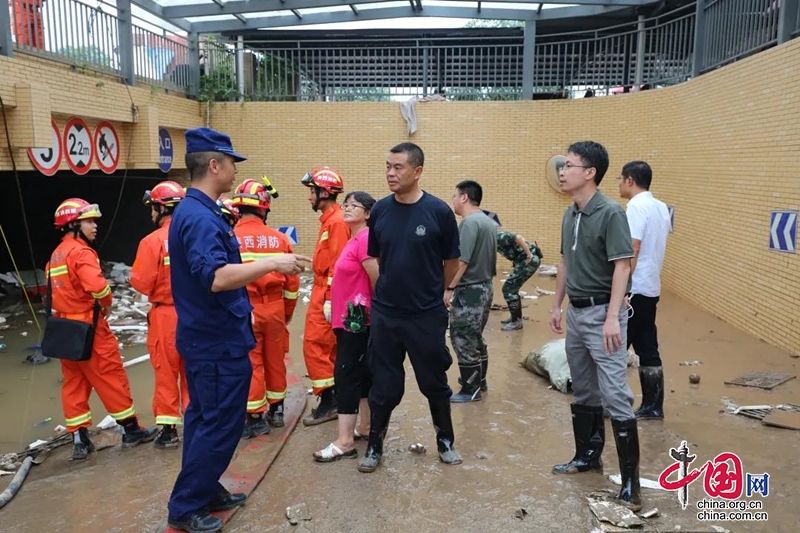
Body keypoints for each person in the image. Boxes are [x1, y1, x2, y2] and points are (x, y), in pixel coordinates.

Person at [166, 127, 310, 533]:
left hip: (215, 335)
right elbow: (215, 277)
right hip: (213, 342)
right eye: (231, 163)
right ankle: (187, 505)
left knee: (204, 419)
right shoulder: (198, 216)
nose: (234, 170)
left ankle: (204, 487)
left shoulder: (204, 211)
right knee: (218, 422)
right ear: (214, 165)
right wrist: (272, 263)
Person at [548, 141, 641, 511]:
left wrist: (612, 317)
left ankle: (631, 483)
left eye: (569, 165)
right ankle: (587, 456)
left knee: (615, 393)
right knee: (584, 390)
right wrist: (556, 304)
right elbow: (565, 262)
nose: (561, 171)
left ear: (589, 173)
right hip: (575, 312)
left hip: (604, 313)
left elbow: (623, 265)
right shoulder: (570, 213)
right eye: (562, 165)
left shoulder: (610, 213)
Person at [359, 142, 462, 473]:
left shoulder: (439, 212)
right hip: (388, 314)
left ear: (417, 171)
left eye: (398, 167)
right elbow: (375, 257)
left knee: (433, 380)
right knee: (384, 385)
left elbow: (452, 261)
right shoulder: (381, 211)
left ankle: (445, 441)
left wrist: (436, 291)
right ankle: (375, 446)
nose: (390, 173)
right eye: (388, 166)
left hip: (426, 314)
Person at [47, 198, 157, 461]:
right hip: (89, 325)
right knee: (110, 376)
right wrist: (106, 304)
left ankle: (80, 440)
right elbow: (98, 287)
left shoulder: (56, 255)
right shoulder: (81, 253)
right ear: (73, 224)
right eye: (89, 221)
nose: (95, 226)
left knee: (74, 383)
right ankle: (131, 429)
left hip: (64, 328)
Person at [313, 191, 379, 462]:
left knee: (346, 375)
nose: (348, 208)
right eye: (346, 204)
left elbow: (378, 279)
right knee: (360, 375)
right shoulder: (355, 238)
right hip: (349, 318)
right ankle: (364, 426)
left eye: (355, 206)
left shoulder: (364, 239)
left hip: (357, 319)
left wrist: (371, 313)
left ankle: (345, 440)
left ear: (368, 214)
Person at [232, 179, 300, 435]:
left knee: (252, 362)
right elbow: (292, 283)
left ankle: (255, 417)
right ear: (264, 207)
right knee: (275, 359)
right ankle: (278, 409)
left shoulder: (230, 238)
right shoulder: (280, 240)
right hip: (275, 307)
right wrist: (287, 313)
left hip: (243, 310)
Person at [131, 180, 188, 449]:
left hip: (166, 316)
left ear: (161, 208)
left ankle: (168, 432)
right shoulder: (195, 235)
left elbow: (141, 282)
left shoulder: (151, 241)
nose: (151, 214)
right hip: (196, 313)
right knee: (194, 372)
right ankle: (196, 426)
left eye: (153, 208)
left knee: (166, 373)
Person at [618, 161, 670, 420]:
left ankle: (612, 403)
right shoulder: (660, 207)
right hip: (650, 285)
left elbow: (633, 247)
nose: (618, 184)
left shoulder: (636, 207)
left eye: (620, 179)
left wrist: (623, 287)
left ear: (630, 180)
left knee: (616, 344)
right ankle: (653, 406)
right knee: (646, 344)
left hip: (636, 287)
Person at [300, 167, 351, 426]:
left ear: (324, 192)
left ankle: (330, 401)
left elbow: (339, 265)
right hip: (323, 290)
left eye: (312, 191)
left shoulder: (337, 223)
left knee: (316, 345)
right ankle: (333, 397)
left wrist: (331, 299)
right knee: (324, 348)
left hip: (326, 294)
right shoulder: (331, 221)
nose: (309, 197)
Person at [447, 180, 497, 403]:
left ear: (464, 197)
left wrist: (449, 288)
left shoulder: (469, 223)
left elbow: (462, 261)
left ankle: (471, 389)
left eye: (454, 196)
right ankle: (479, 380)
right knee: (474, 336)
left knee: (463, 337)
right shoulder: (487, 220)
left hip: (470, 290)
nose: (453, 201)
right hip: (485, 286)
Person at [485, 211, 543, 332]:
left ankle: (516, 322)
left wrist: (528, 255)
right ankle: (515, 318)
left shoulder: (499, 236)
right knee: (512, 288)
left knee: (508, 288)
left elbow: (518, 238)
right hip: (523, 261)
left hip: (528, 261)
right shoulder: (492, 239)